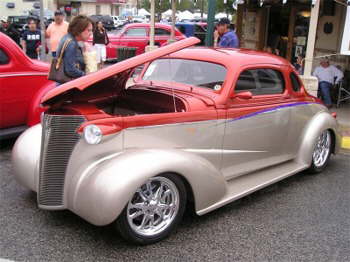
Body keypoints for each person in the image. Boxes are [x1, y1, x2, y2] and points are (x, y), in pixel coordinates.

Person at [56, 15, 93, 80]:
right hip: (68, 84)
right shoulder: (71, 44)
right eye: (88, 30)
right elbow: (70, 70)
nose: (90, 33)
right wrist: (86, 75)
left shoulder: (68, 37)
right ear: (79, 29)